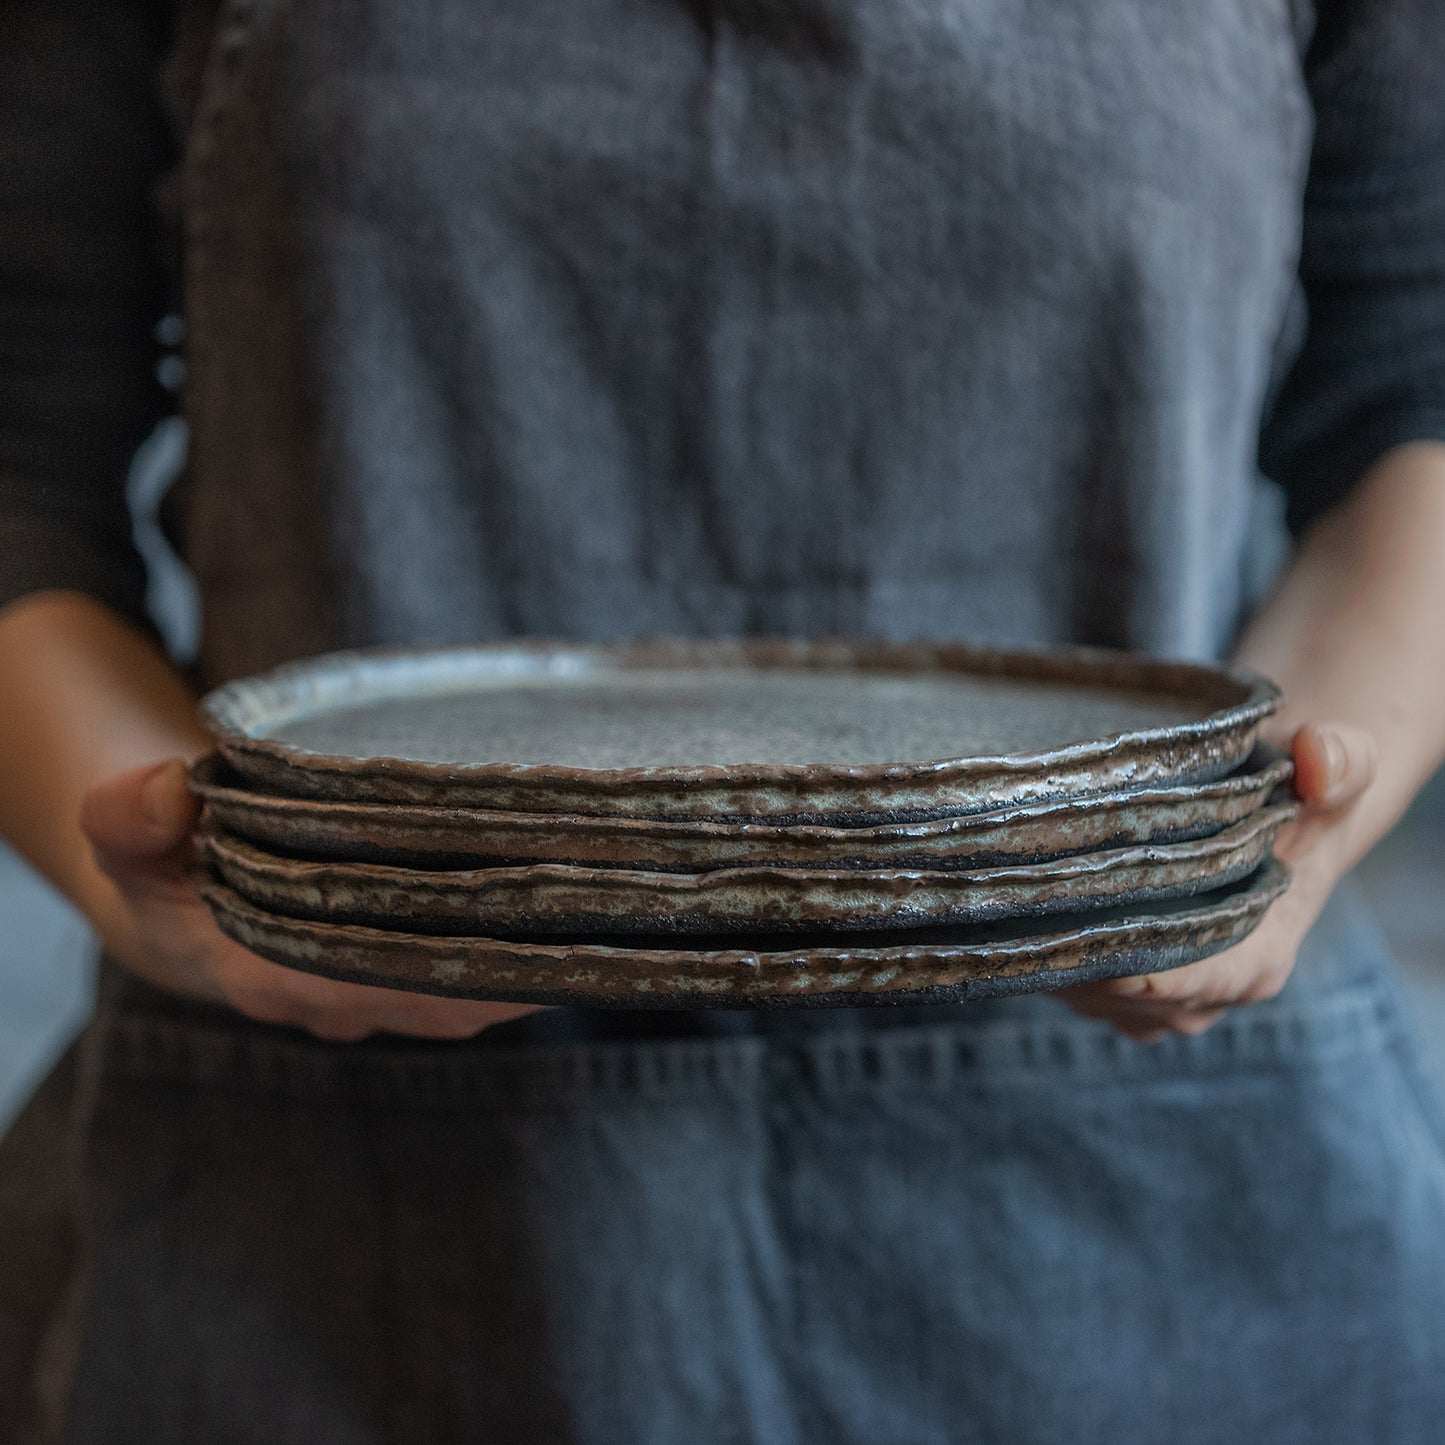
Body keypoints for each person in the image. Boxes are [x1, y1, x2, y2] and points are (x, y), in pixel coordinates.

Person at [2, 0, 1444, 1439]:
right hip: (314, 1180)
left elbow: (1416, 387)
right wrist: (165, 865)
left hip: (1162, 1163)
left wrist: (1285, 824)